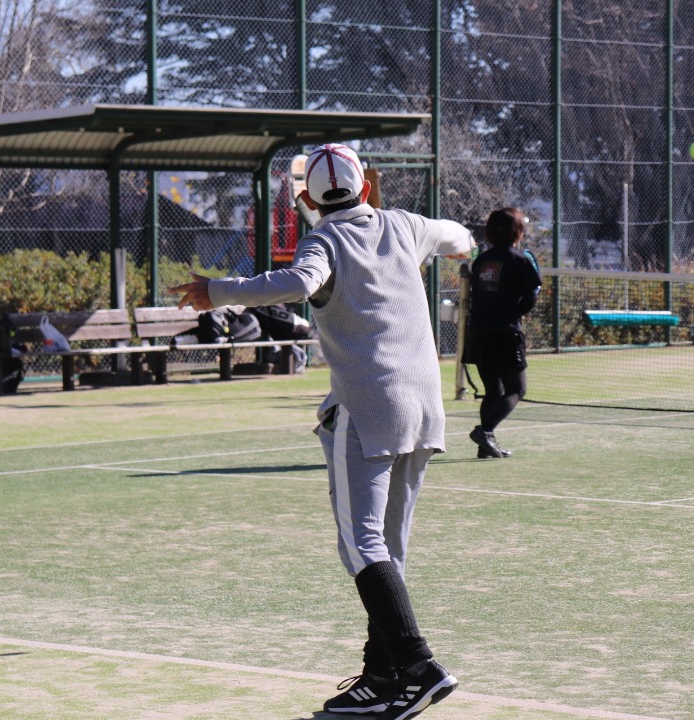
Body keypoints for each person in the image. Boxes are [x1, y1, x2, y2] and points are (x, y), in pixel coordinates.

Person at [170, 143, 472, 720]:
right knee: (387, 547)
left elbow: (302, 282)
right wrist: (458, 246)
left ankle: (418, 667)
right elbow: (457, 234)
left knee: (361, 544)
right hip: (425, 408)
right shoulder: (406, 226)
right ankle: (382, 676)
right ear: (365, 187)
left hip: (367, 407)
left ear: (307, 198)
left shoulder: (323, 240)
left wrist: (219, 291)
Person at [464, 207, 542, 459]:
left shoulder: (481, 261)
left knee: (493, 391)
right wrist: (515, 312)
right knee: (516, 390)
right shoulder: (519, 260)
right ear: (517, 232)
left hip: (478, 332)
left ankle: (485, 446)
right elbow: (530, 297)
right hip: (505, 334)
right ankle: (485, 432)